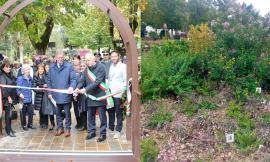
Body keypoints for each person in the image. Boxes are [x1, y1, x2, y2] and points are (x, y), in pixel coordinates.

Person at [76, 53, 107, 142]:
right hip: (90, 96)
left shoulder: (101, 67)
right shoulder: (86, 70)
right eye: (86, 60)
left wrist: (85, 89)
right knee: (90, 116)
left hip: (100, 95)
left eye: (88, 60)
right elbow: (82, 81)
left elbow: (97, 82)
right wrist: (77, 88)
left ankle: (103, 134)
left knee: (102, 117)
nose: (87, 62)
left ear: (93, 59)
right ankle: (92, 132)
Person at [47, 50, 76, 137]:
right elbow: (49, 81)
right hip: (55, 95)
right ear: (55, 58)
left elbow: (73, 79)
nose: (60, 59)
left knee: (67, 113)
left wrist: (71, 87)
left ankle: (67, 128)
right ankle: (60, 128)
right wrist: (49, 92)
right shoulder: (51, 67)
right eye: (58, 57)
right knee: (58, 113)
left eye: (61, 57)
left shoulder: (69, 66)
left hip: (66, 94)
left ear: (63, 57)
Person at [107, 51, 127, 139]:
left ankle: (118, 130)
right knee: (110, 110)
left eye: (115, 56)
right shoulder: (111, 66)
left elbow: (125, 81)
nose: (113, 58)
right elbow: (110, 79)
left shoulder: (123, 66)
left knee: (118, 113)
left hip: (118, 94)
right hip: (110, 93)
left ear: (118, 56)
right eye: (112, 57)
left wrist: (120, 89)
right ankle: (111, 127)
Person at [0, 59, 17, 137]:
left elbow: (15, 82)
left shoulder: (10, 75)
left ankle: (9, 128)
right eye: (7, 67)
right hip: (6, 99)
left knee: (9, 114)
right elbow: (3, 88)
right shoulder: (2, 76)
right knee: (8, 115)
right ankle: (8, 130)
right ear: (3, 68)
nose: (9, 68)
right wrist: (8, 97)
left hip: (11, 97)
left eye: (9, 66)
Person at [17, 64, 36, 130]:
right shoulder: (20, 78)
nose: (28, 71)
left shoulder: (30, 78)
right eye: (27, 69)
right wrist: (20, 94)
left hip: (29, 98)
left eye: (29, 69)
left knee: (31, 112)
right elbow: (17, 89)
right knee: (23, 113)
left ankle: (30, 124)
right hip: (23, 98)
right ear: (23, 71)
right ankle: (24, 125)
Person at [72, 55, 82, 129]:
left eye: (77, 59)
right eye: (74, 59)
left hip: (81, 90)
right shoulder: (70, 68)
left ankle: (83, 122)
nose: (75, 60)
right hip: (73, 91)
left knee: (81, 107)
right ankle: (78, 122)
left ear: (79, 60)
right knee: (75, 107)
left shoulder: (82, 67)